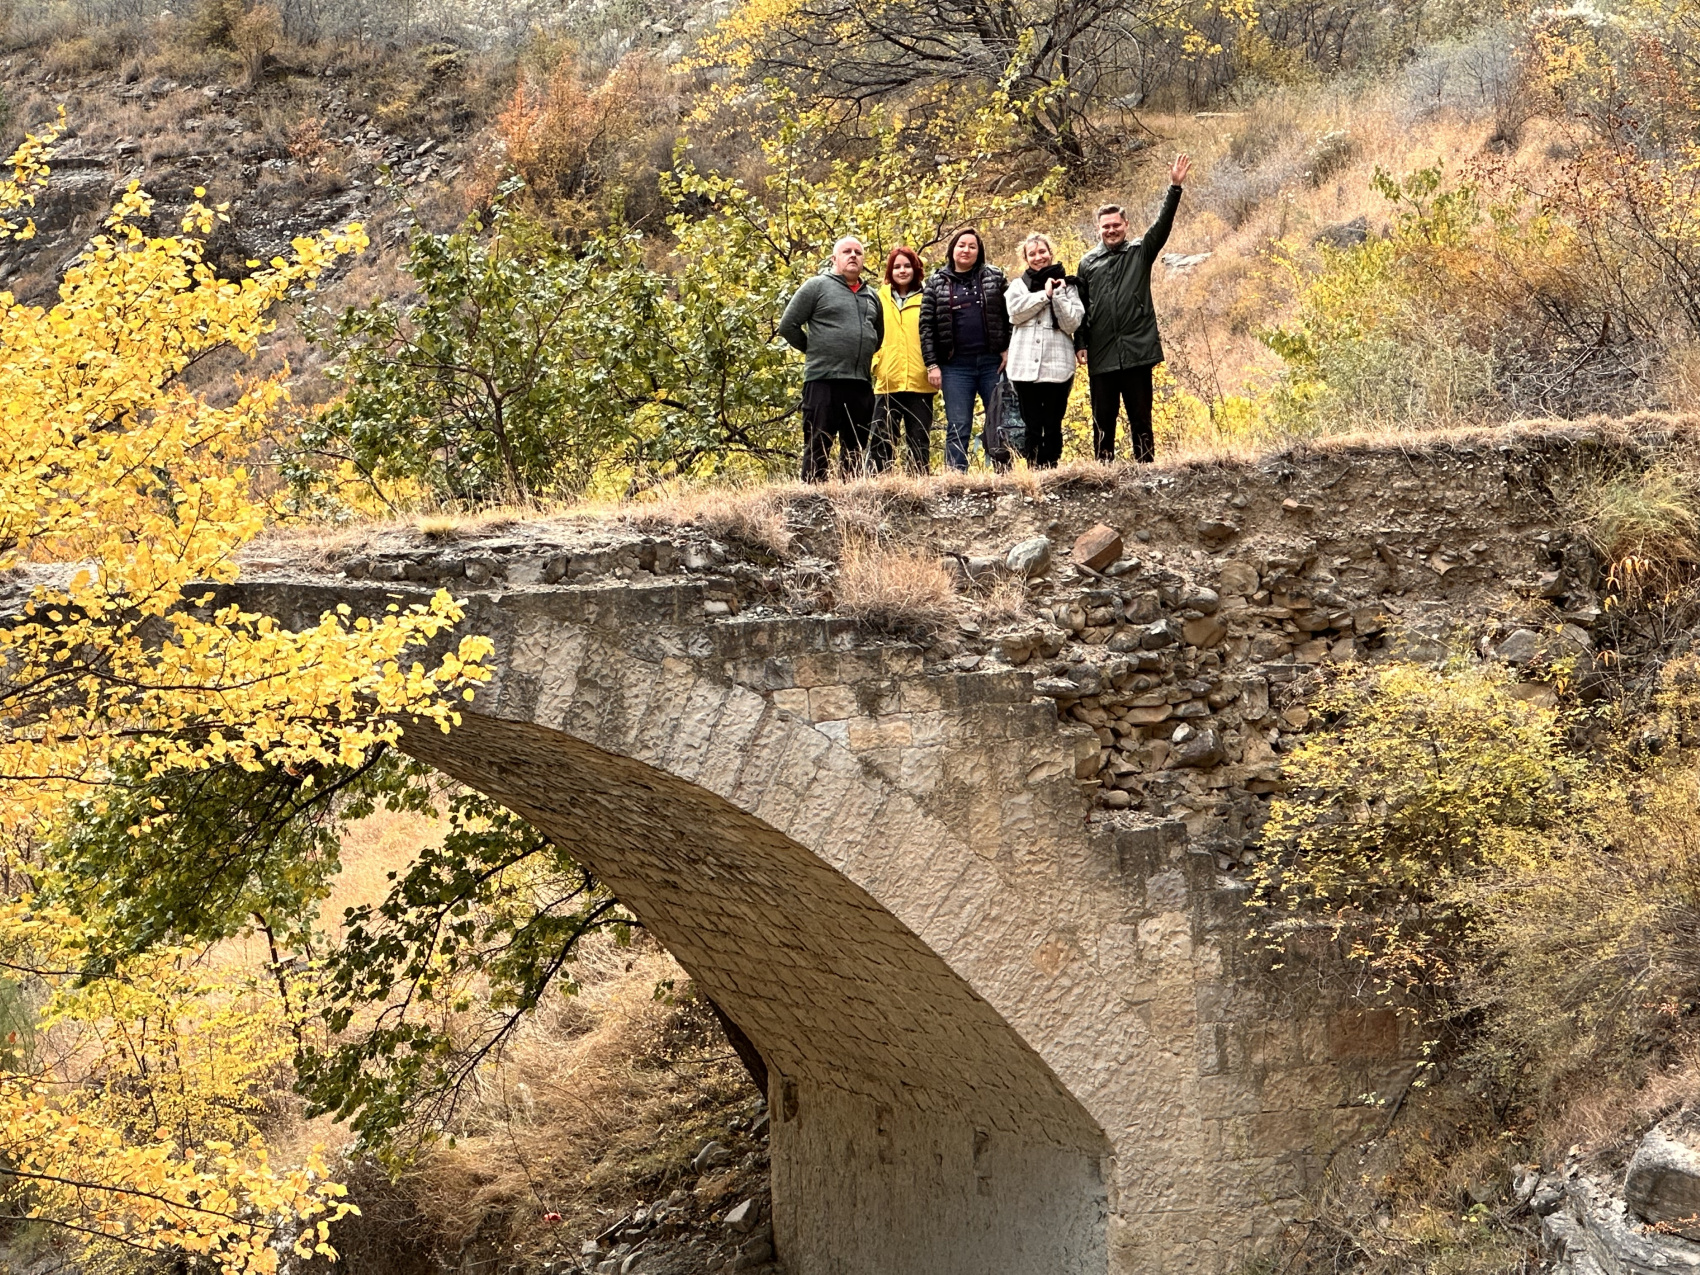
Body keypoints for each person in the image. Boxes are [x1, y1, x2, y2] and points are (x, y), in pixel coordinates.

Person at [1075, 153, 1192, 464]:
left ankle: (1147, 472)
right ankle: (1103, 474)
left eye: (1116, 225)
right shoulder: (1087, 263)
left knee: (1141, 418)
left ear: (1126, 225)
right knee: (1103, 421)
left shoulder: (1140, 252)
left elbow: (1162, 226)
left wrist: (1174, 188)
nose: (1111, 230)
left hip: (1137, 351)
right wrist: (1080, 343)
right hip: (1102, 354)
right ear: (1098, 229)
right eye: (1106, 226)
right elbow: (1080, 308)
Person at [778, 236, 885, 482]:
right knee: (818, 444)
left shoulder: (872, 296)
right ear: (834, 259)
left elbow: (878, 336)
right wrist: (815, 349)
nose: (853, 255)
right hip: (823, 381)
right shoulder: (816, 286)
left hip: (860, 383)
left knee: (855, 448)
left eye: (858, 252)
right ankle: (813, 497)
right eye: (847, 251)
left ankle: (851, 498)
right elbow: (787, 325)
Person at [919, 226, 1010, 473]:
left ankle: (1005, 476)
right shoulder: (936, 282)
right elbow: (926, 326)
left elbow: (1011, 314)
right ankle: (956, 478)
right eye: (961, 245)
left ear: (979, 251)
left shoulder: (995, 277)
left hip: (992, 363)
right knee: (958, 424)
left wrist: (1008, 348)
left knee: (999, 422)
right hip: (955, 366)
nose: (966, 250)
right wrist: (932, 364)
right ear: (952, 249)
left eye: (972, 246)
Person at [1004, 232, 1084, 468]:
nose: (1038, 257)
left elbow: (1072, 323)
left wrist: (1057, 294)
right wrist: (1044, 295)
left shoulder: (1069, 286)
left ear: (1050, 253)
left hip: (1057, 367)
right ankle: (1032, 471)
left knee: (1052, 425)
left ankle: (1051, 469)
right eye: (1032, 254)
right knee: (1031, 425)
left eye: (1042, 252)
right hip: (1024, 368)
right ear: (1026, 258)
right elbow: (1015, 314)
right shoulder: (1018, 286)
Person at [869, 246, 934, 473]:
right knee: (881, 439)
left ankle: (919, 485)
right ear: (890, 271)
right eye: (897, 267)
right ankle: (878, 483)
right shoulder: (878, 298)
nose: (902, 270)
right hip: (888, 379)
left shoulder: (928, 298)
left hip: (920, 380)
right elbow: (869, 333)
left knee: (919, 440)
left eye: (907, 266)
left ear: (916, 269)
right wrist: (876, 363)